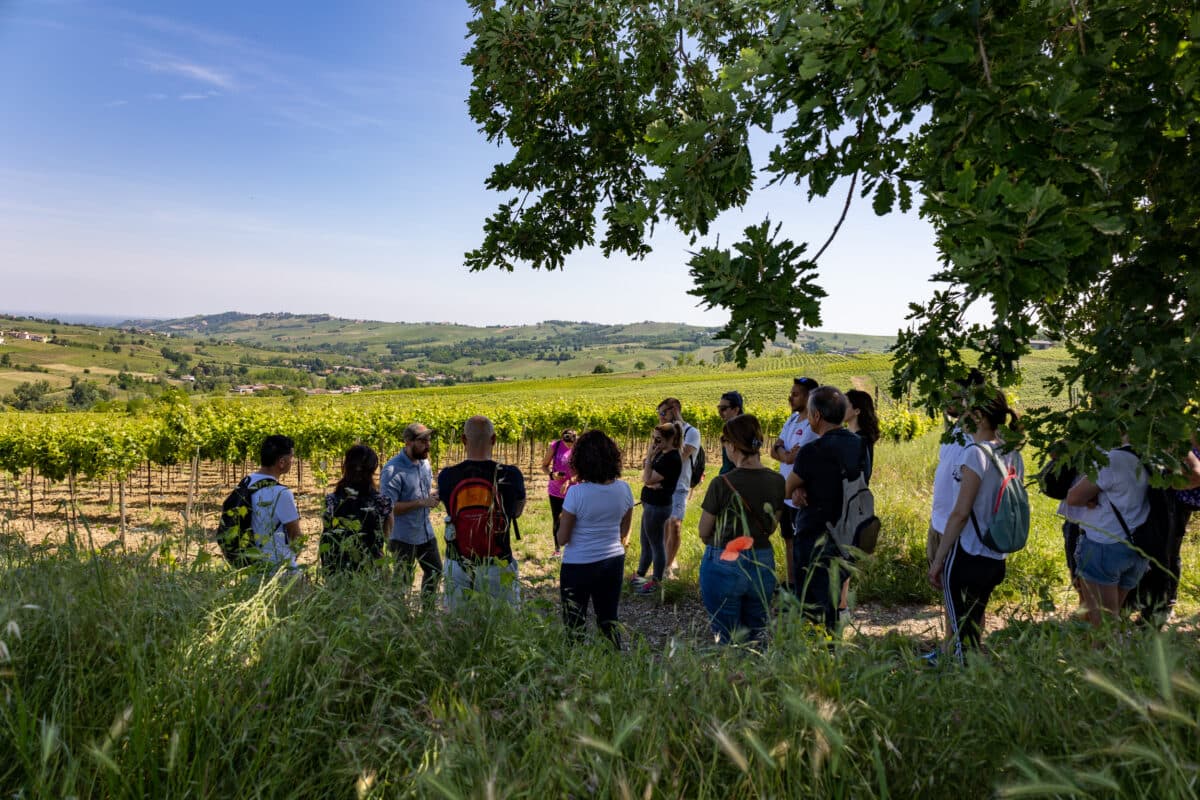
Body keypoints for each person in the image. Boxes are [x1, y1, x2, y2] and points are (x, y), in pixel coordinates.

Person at [928, 390, 1024, 662]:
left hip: (967, 553)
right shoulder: (1012, 454)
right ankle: (974, 678)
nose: (962, 419)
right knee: (974, 624)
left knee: (959, 634)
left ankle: (959, 683)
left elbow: (960, 513)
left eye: (967, 413)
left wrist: (938, 560)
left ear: (979, 417)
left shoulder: (975, 454)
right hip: (995, 554)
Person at [785, 386, 869, 632]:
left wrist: (800, 489)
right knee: (834, 596)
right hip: (848, 533)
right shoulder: (859, 445)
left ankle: (819, 654)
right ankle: (833, 647)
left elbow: (788, 488)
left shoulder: (812, 450)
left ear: (817, 416)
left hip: (815, 535)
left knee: (812, 602)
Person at [698, 414, 785, 645]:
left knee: (726, 638)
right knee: (757, 637)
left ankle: (733, 679)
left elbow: (704, 531)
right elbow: (772, 526)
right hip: (762, 561)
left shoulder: (721, 483)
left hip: (723, 561)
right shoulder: (778, 481)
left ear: (733, 445)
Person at [438, 415, 526, 607]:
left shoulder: (446, 476)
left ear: (463, 440)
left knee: (459, 626)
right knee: (504, 625)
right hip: (499, 563)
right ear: (494, 439)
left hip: (458, 563)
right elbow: (516, 512)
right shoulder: (511, 474)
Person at [1060, 442, 1151, 629]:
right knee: (1113, 616)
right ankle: (1112, 653)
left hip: (1105, 545)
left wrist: (1092, 495)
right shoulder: (1157, 455)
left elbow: (1074, 497)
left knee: (1103, 627)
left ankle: (1102, 655)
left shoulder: (1114, 458)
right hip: (1139, 546)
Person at [556, 430, 634, 648]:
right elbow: (623, 532)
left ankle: (576, 670)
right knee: (609, 619)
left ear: (580, 460)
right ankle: (614, 663)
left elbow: (562, 539)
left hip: (577, 565)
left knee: (574, 624)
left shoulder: (576, 493)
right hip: (612, 561)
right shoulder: (624, 489)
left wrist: (561, 521)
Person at [381, 423, 442, 595]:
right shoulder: (392, 470)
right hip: (402, 537)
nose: (428, 445)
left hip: (425, 531)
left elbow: (422, 492)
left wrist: (433, 496)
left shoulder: (425, 464)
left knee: (435, 570)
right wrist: (422, 502)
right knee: (403, 582)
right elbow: (389, 508)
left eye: (429, 440)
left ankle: (427, 613)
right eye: (423, 441)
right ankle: (400, 618)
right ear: (408, 442)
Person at [771, 377, 820, 590]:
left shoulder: (812, 424)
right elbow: (775, 449)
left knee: (802, 543)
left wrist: (783, 454)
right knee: (788, 540)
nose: (790, 397)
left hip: (800, 493)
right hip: (786, 492)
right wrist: (784, 454)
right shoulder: (791, 419)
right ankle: (792, 583)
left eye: (796, 394)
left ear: (809, 396)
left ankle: (804, 586)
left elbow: (794, 458)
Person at [838, 389, 880, 621]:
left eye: (845, 404)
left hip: (851, 503)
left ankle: (842, 609)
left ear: (856, 410)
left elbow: (859, 476)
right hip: (855, 501)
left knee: (844, 555)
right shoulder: (856, 436)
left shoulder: (859, 440)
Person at [321, 444, 390, 575]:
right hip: (372, 571)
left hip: (338, 571)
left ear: (345, 467)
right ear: (373, 470)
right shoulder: (383, 502)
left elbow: (327, 537)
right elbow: (386, 539)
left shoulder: (331, 501)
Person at [631, 422, 683, 593]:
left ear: (670, 439)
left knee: (656, 545)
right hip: (651, 504)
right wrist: (651, 462)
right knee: (646, 543)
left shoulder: (671, 458)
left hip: (657, 507)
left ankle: (656, 582)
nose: (654, 442)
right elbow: (649, 480)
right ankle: (640, 575)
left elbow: (647, 478)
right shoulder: (663, 453)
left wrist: (649, 459)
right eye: (653, 438)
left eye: (658, 439)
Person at [244, 434, 303, 572]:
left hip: (252, 565)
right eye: (291, 457)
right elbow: (296, 536)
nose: (292, 462)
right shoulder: (281, 493)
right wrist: (292, 559)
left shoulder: (246, 482)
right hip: (277, 567)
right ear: (281, 462)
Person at [657, 397, 701, 577]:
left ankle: (666, 568)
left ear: (674, 410)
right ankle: (667, 561)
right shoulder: (661, 432)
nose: (660, 418)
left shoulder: (691, 432)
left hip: (679, 486)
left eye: (662, 413)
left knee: (675, 524)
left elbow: (679, 457)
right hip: (661, 486)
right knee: (665, 525)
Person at [541, 429, 577, 557]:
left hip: (574, 490)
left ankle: (573, 549)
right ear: (562, 439)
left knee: (575, 520)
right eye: (567, 444)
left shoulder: (579, 447)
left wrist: (568, 482)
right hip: (555, 490)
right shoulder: (555, 446)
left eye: (572, 444)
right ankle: (557, 550)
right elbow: (544, 466)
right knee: (557, 519)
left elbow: (582, 471)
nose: (570, 446)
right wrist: (552, 474)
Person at [717, 391, 745, 475]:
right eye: (719, 408)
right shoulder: (729, 430)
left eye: (723, 408)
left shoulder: (742, 432)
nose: (720, 412)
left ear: (736, 409)